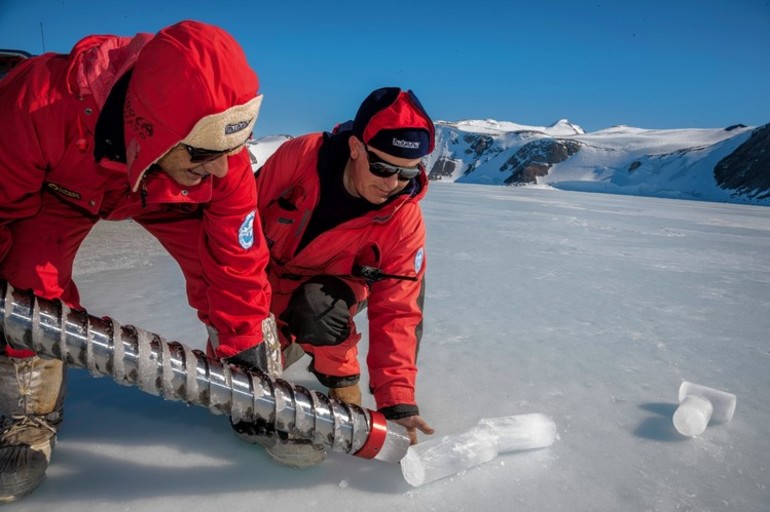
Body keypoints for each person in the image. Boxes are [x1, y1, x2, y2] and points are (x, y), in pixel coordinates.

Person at [0, 20, 276, 503]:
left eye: (232, 150)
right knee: (28, 284)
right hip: (65, 188)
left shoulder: (216, 161)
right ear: (149, 126)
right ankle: (30, 416)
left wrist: (246, 345)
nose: (223, 166)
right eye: (208, 151)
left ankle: (253, 389)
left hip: (168, 188)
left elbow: (238, 258)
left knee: (225, 279)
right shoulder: (38, 104)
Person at [238, 87, 437, 467]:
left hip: (330, 295)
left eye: (407, 172)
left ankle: (337, 378)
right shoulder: (302, 158)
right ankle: (280, 346)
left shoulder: (404, 219)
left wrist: (397, 401)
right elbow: (239, 230)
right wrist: (243, 329)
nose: (392, 183)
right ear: (356, 148)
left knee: (317, 305)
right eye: (382, 167)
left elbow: (399, 310)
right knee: (240, 371)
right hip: (262, 282)